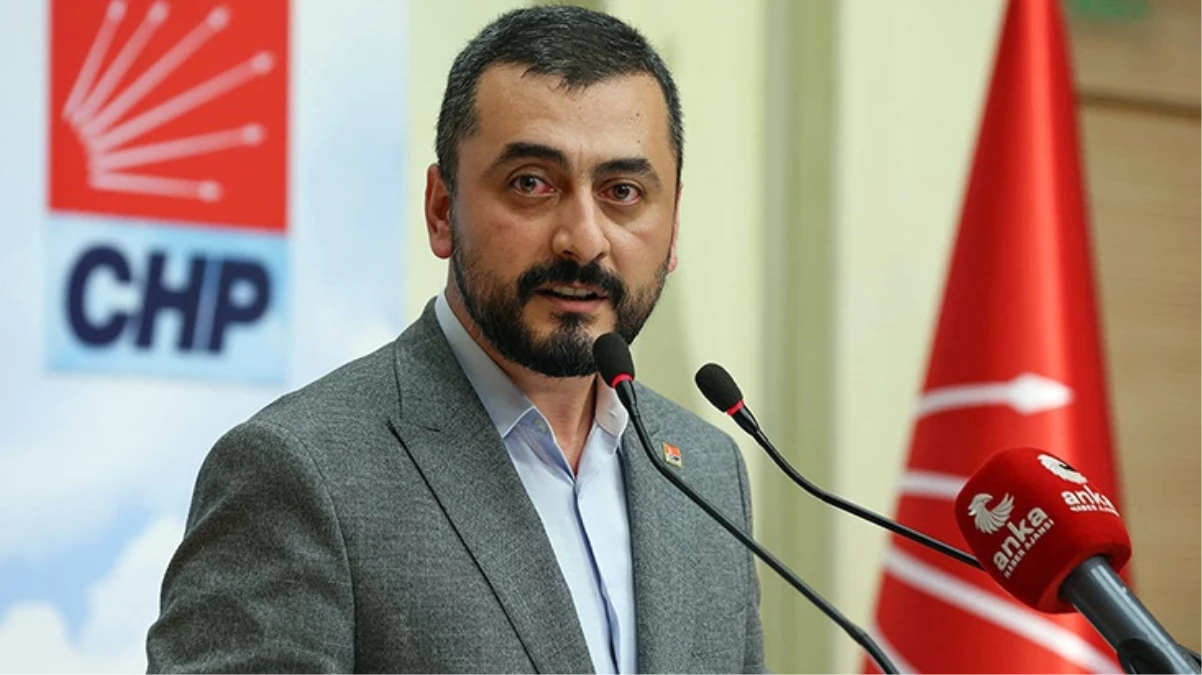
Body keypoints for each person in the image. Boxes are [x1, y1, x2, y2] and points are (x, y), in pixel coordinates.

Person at [146, 6, 764, 674]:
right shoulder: (300, 471)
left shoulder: (707, 472)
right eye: (532, 184)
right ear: (443, 210)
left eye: (623, 191)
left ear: (673, 227)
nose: (584, 239)